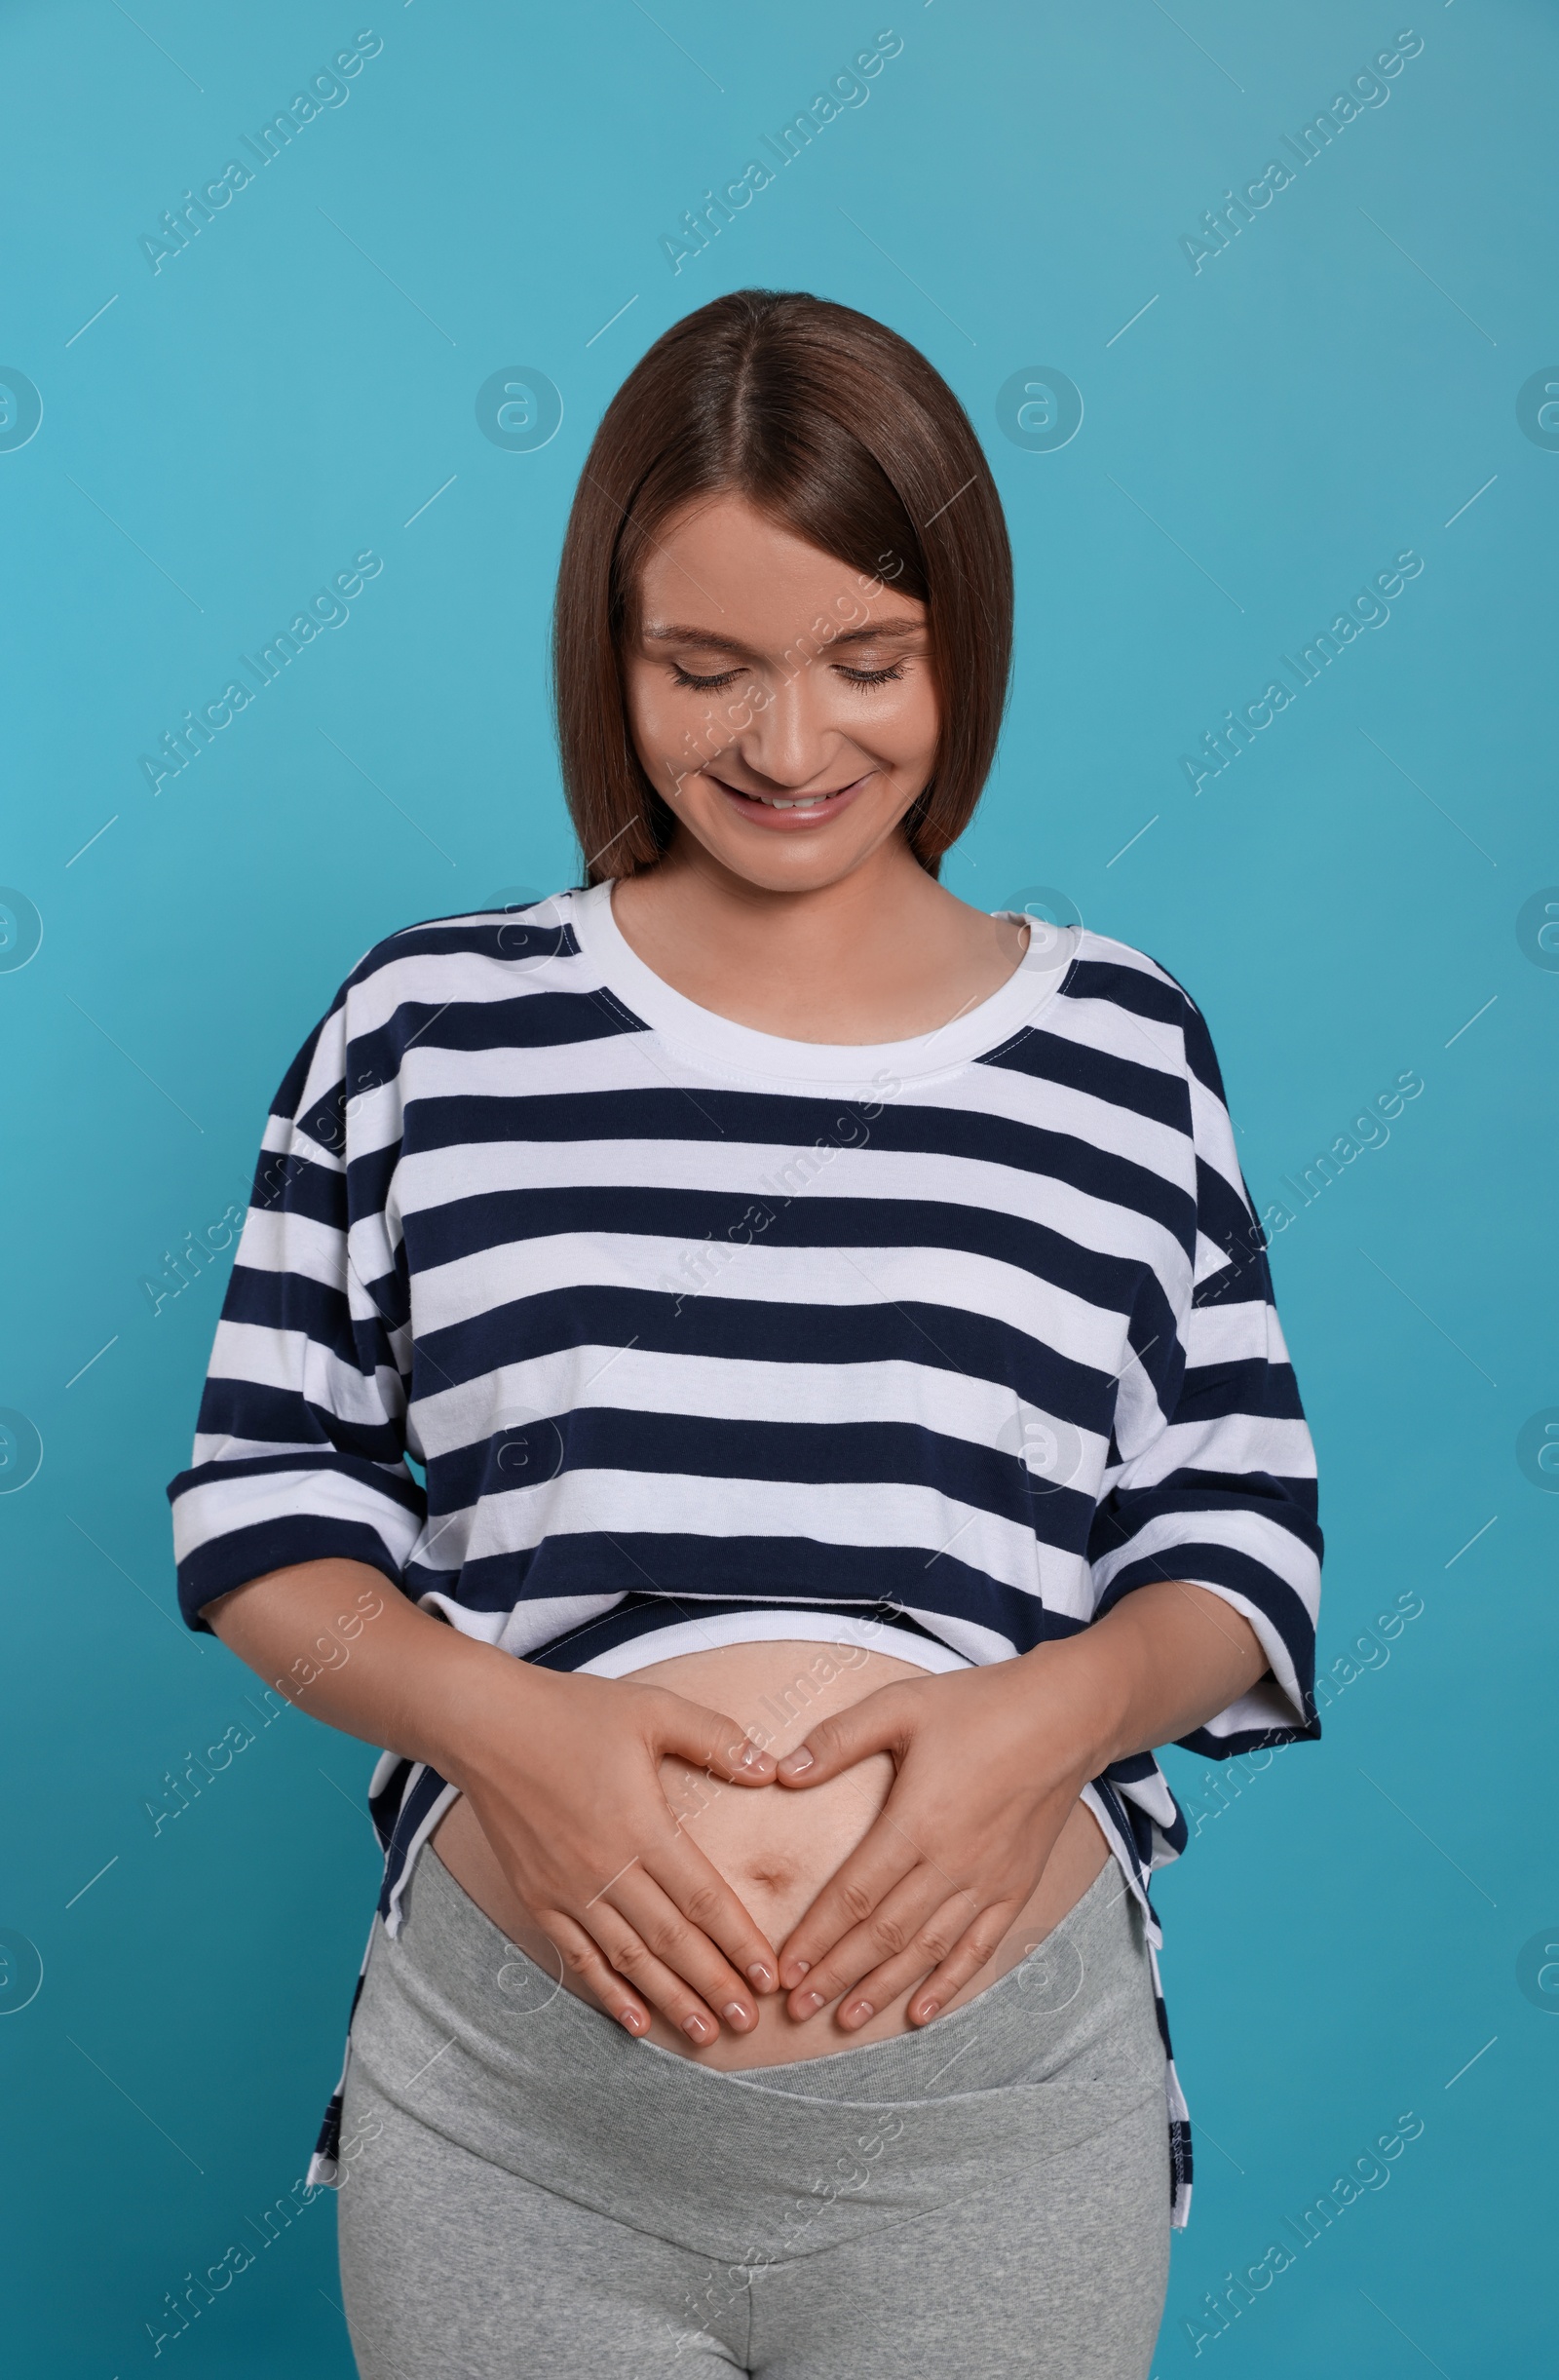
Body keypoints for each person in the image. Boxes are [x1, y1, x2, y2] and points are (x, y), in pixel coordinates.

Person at [168, 288, 1322, 2379]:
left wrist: (1040, 1723)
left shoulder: (1117, 1048)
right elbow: (260, 1509)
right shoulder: (427, 1030)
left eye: (864, 665)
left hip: (983, 2134)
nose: (789, 748)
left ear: (956, 649)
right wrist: (506, 1730)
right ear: (607, 665)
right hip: (523, 2125)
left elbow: (1233, 1542)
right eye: (706, 670)